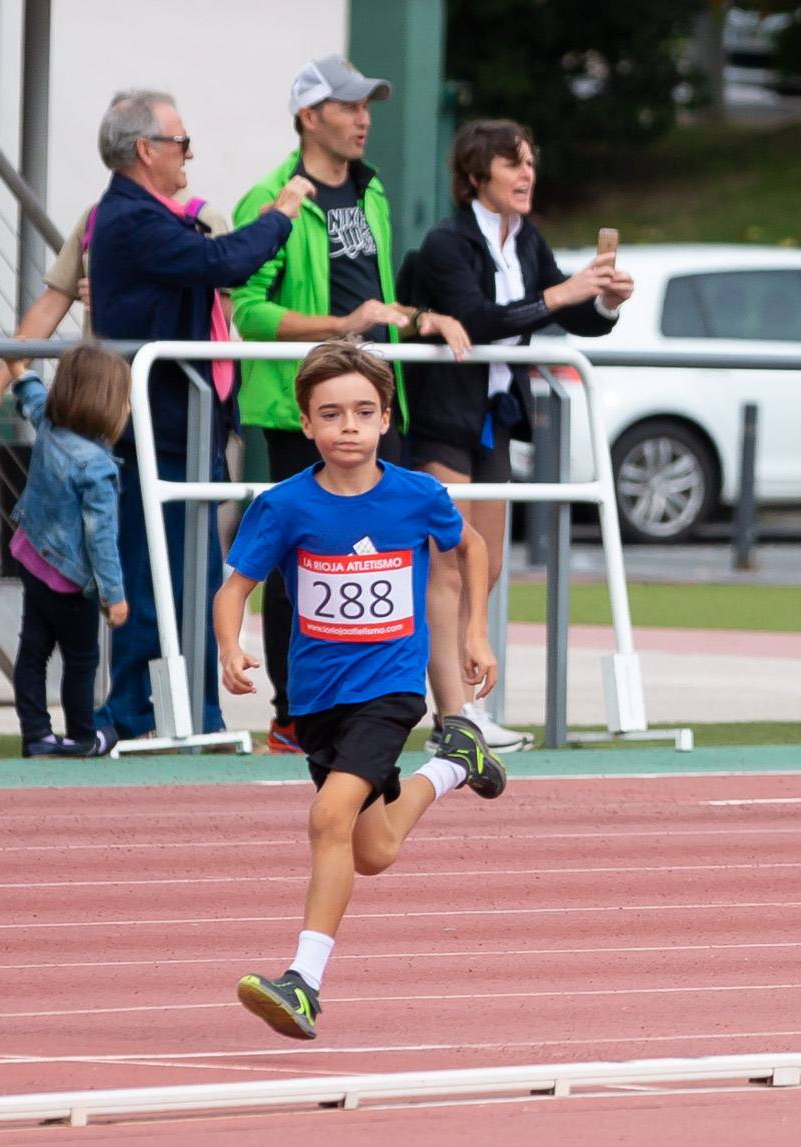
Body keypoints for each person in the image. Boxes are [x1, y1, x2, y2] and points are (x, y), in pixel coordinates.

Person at [222, 342, 502, 1040]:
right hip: (318, 700)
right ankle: (453, 762)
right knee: (371, 850)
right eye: (331, 413)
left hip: (391, 689)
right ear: (307, 423)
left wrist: (475, 632)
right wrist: (231, 644)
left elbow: (470, 546)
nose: (348, 426)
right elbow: (236, 588)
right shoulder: (283, 506)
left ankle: (303, 982)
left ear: (385, 419)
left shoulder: (417, 496)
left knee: (329, 817)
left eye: (363, 412)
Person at [234, 56, 476, 752]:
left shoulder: (372, 194)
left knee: (399, 554)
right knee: (298, 562)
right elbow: (247, 311)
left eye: (368, 104)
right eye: (347, 105)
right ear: (310, 117)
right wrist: (340, 328)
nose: (363, 117)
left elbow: (369, 302)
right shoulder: (270, 198)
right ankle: (292, 715)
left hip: (373, 401)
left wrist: (417, 318)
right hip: (298, 407)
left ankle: (404, 709)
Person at [399, 118, 627, 755]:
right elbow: (478, 319)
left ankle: (473, 703)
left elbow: (572, 314)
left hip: (495, 415)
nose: (527, 174)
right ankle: (454, 715)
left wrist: (604, 300)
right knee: (447, 560)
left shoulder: (527, 240)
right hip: (443, 415)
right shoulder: (447, 243)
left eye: (530, 162)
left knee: (486, 565)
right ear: (477, 176)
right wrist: (562, 294)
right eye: (511, 163)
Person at [90, 88, 305, 741]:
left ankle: (190, 712)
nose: (189, 152)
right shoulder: (131, 219)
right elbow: (223, 263)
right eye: (180, 141)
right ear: (145, 150)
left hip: (186, 426)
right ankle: (137, 715)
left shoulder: (152, 215)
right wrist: (282, 214)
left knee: (194, 578)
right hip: (158, 428)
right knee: (157, 577)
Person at [7, 346, 132, 758]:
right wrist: (114, 595)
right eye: (124, 400)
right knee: (81, 659)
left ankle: (37, 734)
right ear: (105, 405)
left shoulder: (50, 426)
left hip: (31, 557)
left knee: (33, 651)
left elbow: (35, 399)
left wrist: (20, 371)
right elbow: (101, 538)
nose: (128, 408)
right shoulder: (97, 467)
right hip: (67, 581)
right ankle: (82, 735)